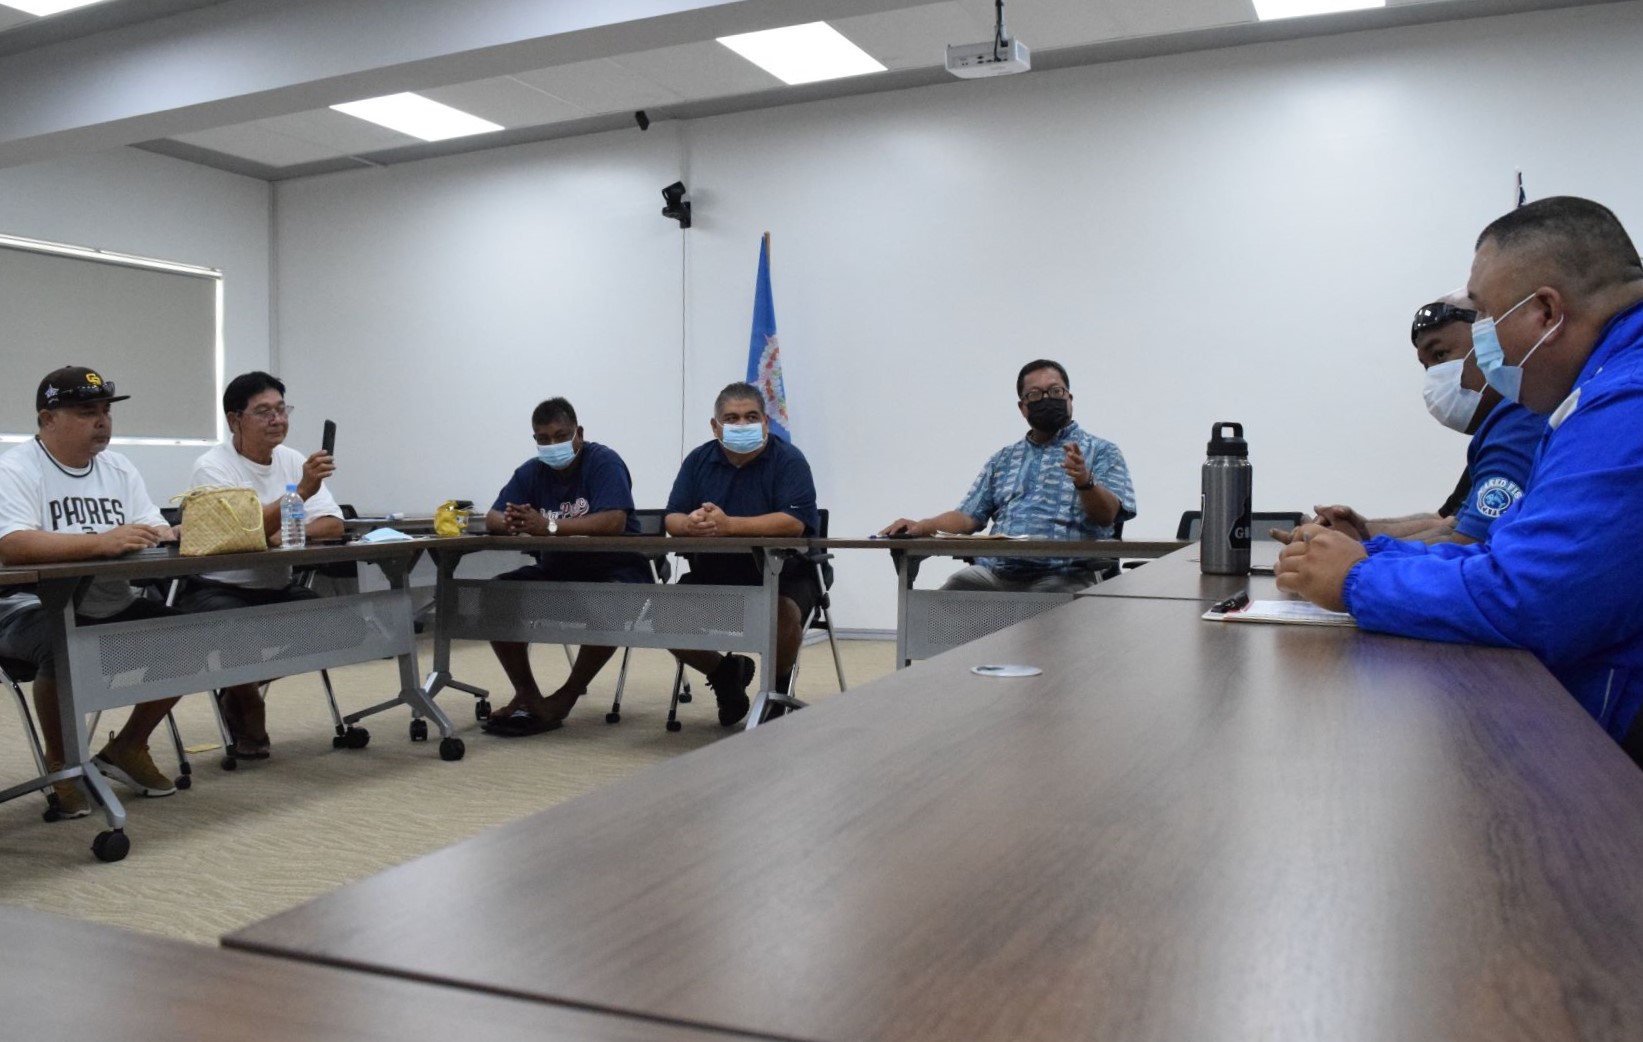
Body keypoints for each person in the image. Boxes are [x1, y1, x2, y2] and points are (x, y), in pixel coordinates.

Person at [1277, 197, 1643, 765]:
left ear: (1546, 312)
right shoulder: (1595, 393)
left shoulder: (1626, 403)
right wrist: (1368, 553)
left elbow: (1533, 602)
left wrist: (1358, 582)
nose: (1484, 346)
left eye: (1488, 320)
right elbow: (1502, 554)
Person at [0, 366, 185, 816]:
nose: (102, 421)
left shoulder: (118, 468)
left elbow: (149, 528)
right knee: (62, 645)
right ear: (47, 419)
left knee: (186, 641)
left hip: (108, 599)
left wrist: (170, 534)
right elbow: (12, 544)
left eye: (105, 411)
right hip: (24, 606)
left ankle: (128, 747)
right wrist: (100, 542)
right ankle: (62, 762)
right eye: (87, 412)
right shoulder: (15, 468)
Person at [175, 372, 342, 759]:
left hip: (276, 586)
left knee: (342, 627)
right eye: (263, 412)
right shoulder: (212, 467)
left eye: (282, 410)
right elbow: (237, 534)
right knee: (240, 639)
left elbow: (332, 523)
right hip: (218, 589)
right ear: (235, 420)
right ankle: (245, 695)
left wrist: (283, 531)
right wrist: (299, 495)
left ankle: (239, 683)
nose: (277, 420)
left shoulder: (292, 459)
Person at [1296, 294, 1544, 545]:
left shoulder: (1522, 419)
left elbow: (1466, 544)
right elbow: (1447, 522)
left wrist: (1352, 558)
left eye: (1439, 355)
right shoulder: (1493, 431)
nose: (1436, 377)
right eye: (1428, 367)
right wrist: (1362, 532)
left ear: (1489, 338)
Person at [879, 359, 1136, 590]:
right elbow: (967, 517)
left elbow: (1107, 516)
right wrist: (921, 526)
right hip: (996, 573)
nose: (1047, 399)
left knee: (1048, 604)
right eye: (1035, 395)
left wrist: (1085, 482)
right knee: (954, 593)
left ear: (1069, 398)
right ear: (1023, 407)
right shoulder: (1004, 458)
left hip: (1063, 574)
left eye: (1055, 391)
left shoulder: (1102, 451)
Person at [481, 397, 651, 736]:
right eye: (543, 439)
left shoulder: (603, 462)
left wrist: (549, 526)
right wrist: (514, 522)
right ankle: (528, 695)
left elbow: (613, 521)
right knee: (494, 595)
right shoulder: (531, 471)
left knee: (609, 604)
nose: (552, 445)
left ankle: (565, 696)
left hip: (615, 570)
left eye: (560, 436)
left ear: (579, 433)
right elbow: (492, 517)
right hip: (557, 568)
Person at [665, 382, 819, 726]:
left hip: (783, 574)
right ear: (715, 426)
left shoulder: (789, 460)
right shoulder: (698, 460)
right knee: (662, 618)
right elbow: (671, 516)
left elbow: (793, 523)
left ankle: (777, 692)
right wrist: (689, 525)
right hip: (713, 571)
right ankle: (724, 674)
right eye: (732, 418)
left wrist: (728, 525)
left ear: (766, 421)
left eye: (751, 417)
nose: (742, 424)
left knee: (781, 613)